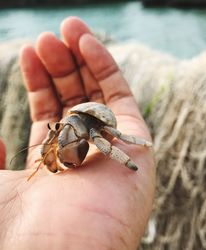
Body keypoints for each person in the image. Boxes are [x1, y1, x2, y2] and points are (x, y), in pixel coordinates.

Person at [0, 17, 155, 250]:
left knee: (102, 138)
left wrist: (133, 153)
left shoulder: (94, 128)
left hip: (96, 122)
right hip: (78, 118)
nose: (60, 132)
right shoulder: (65, 124)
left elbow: (115, 138)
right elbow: (59, 131)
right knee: (57, 134)